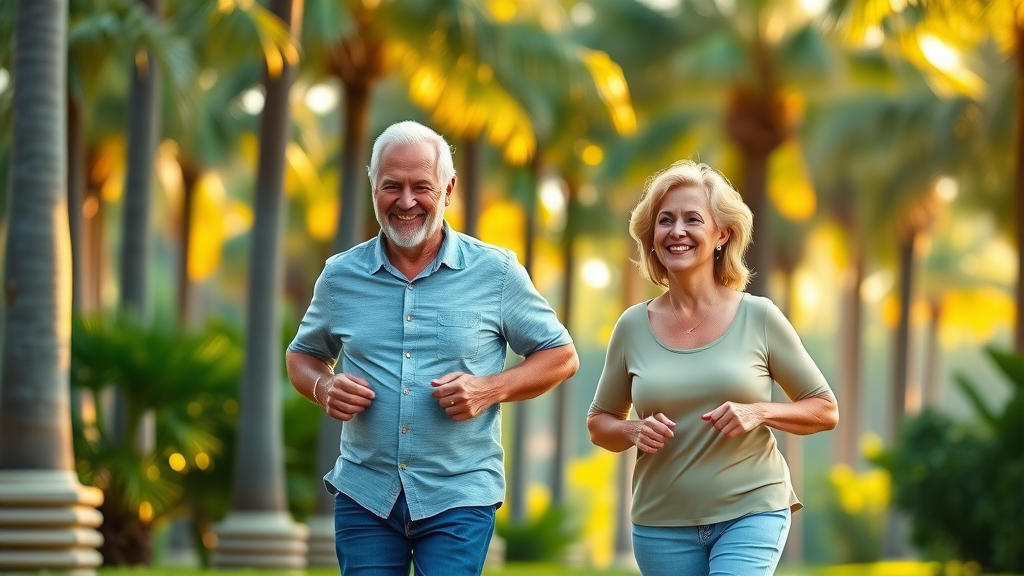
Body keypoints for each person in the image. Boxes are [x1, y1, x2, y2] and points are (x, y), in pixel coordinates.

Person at [285, 120, 579, 576]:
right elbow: (302, 355)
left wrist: (488, 389)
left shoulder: (496, 272)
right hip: (365, 493)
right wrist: (324, 386)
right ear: (372, 188)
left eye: (421, 186)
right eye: (391, 186)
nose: (406, 202)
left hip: (459, 493)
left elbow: (561, 356)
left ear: (448, 189)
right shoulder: (340, 276)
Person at [587, 159, 838, 576]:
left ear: (722, 234)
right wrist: (632, 430)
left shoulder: (760, 317)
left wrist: (758, 412)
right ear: (652, 237)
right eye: (665, 221)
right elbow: (600, 422)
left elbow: (824, 408)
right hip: (661, 522)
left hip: (751, 508)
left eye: (692, 219)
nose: (677, 231)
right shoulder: (632, 325)